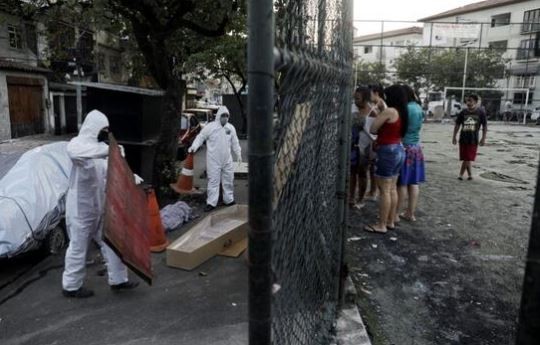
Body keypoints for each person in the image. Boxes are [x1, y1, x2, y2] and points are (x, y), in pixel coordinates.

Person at [62, 110, 139, 298]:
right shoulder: (78, 145)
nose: (105, 132)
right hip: (80, 211)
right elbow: (76, 152)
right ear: (93, 128)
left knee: (112, 245)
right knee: (78, 247)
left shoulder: (99, 151)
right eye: (102, 129)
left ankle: (119, 280)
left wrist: (133, 178)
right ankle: (71, 286)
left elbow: (111, 174)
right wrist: (109, 150)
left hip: (99, 208)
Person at [364, 85, 407, 234]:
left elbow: (373, 129)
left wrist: (378, 115)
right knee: (392, 188)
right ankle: (390, 221)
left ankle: (381, 225)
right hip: (399, 149)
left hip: (388, 151)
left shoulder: (390, 111)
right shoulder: (403, 112)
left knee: (384, 190)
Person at [189, 106, 242, 212]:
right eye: (223, 115)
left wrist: (238, 153)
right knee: (213, 181)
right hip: (213, 160)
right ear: (218, 116)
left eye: (227, 116)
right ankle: (211, 203)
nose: (225, 118)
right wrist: (194, 146)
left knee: (228, 180)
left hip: (227, 160)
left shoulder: (230, 128)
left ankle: (229, 199)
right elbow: (201, 137)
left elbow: (235, 142)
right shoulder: (210, 127)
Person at [397, 85, 426, 222]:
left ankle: (396, 214)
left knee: (402, 182)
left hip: (405, 146)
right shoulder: (419, 107)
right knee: (413, 182)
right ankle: (410, 213)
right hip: (416, 147)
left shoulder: (405, 109)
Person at [452, 94, 487, 180]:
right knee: (466, 157)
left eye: (470, 100)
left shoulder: (481, 112)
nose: (468, 102)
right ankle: (470, 175)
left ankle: (460, 175)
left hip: (473, 139)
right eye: (467, 101)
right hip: (463, 138)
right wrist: (454, 136)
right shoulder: (463, 112)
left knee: (467, 158)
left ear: (475, 101)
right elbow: (457, 125)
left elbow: (485, 126)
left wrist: (483, 138)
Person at [350, 86, 373, 209]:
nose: (355, 101)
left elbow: (373, 133)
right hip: (352, 146)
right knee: (351, 173)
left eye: (358, 98)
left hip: (364, 148)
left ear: (365, 98)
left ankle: (360, 198)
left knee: (362, 173)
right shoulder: (352, 108)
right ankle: (351, 197)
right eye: (354, 98)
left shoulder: (372, 112)